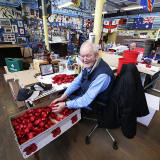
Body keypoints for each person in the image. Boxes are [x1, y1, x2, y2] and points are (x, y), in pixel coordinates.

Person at [52, 41, 115, 113]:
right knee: (65, 93)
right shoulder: (89, 66)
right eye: (82, 56)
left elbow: (86, 100)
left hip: (97, 104)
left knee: (68, 100)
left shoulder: (102, 76)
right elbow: (77, 82)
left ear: (96, 55)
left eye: (88, 56)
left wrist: (65, 104)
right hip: (88, 96)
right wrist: (63, 97)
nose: (84, 59)